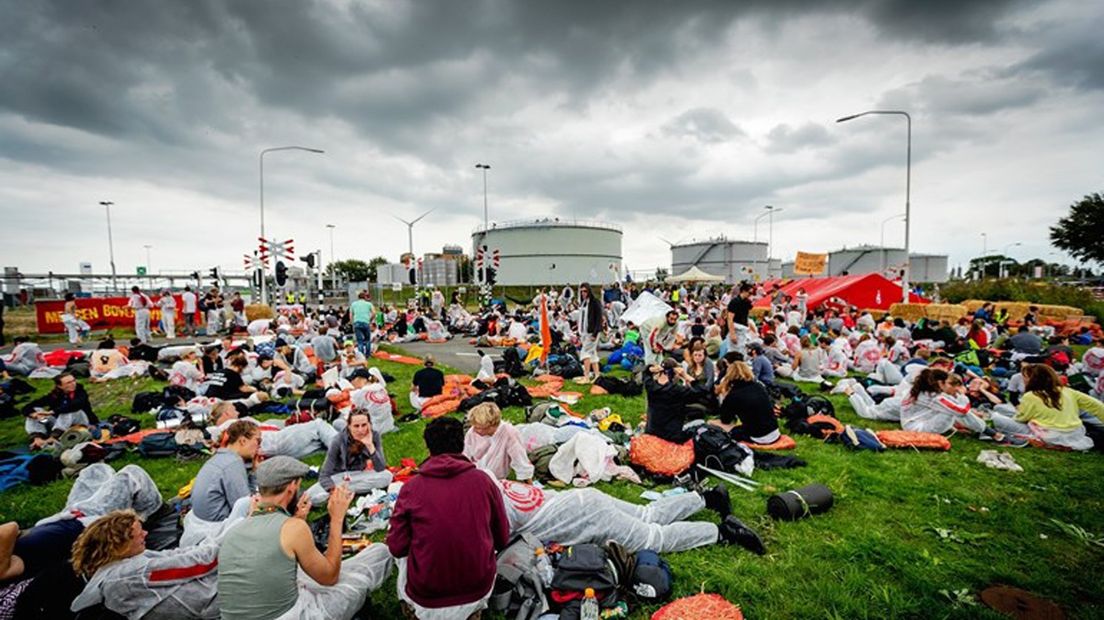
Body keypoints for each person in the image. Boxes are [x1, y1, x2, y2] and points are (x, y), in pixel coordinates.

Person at [218, 456, 393, 620]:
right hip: (292, 615)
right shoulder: (293, 529)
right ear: (292, 487)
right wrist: (337, 518)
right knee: (378, 555)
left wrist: (297, 521)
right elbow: (330, 577)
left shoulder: (234, 530)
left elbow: (271, 560)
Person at [387, 417, 510, 620]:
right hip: (478, 588)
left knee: (403, 552)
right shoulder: (484, 481)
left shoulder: (411, 488)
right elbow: (502, 538)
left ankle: (412, 611)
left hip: (427, 595)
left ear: (428, 446)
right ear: (462, 444)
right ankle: (472, 612)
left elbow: (396, 547)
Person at [0, 463, 161, 585]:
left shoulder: (7, 556)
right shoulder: (7, 569)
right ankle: (152, 514)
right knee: (131, 474)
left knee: (95, 470)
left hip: (67, 515)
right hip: (93, 522)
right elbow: (10, 527)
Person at [180, 421, 260, 546]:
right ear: (243, 441)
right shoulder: (233, 464)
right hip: (213, 532)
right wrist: (256, 477)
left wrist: (253, 472)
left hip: (197, 524)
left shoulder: (221, 457)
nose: (259, 447)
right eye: (257, 441)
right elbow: (246, 506)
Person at [990, 364, 1104, 450]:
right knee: (1002, 409)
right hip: (1074, 433)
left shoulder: (1030, 396)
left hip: (1048, 435)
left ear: (1033, 379)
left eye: (1025, 377)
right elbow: (1098, 406)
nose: (1023, 380)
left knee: (997, 418)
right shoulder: (1069, 391)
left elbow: (1021, 419)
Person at [900, 369, 1025, 446]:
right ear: (940, 383)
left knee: (952, 410)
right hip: (916, 429)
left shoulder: (921, 391)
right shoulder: (933, 397)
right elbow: (962, 410)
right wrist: (962, 395)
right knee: (954, 411)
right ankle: (996, 436)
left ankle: (985, 431)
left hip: (913, 423)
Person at [306, 410, 392, 506]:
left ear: (369, 424)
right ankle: (345, 492)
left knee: (387, 476)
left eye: (364, 425)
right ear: (349, 426)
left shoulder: (374, 435)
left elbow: (380, 468)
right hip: (339, 478)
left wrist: (370, 445)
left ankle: (348, 491)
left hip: (359, 474)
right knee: (311, 497)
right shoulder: (337, 441)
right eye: (356, 426)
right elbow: (324, 475)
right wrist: (334, 490)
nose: (360, 430)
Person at [22, 372, 96, 448]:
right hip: (58, 424)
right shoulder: (55, 395)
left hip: (80, 421)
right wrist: (34, 415)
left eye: (73, 381)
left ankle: (53, 438)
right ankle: (37, 438)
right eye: (68, 383)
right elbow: (28, 406)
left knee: (67, 411)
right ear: (60, 386)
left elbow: (75, 405)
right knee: (36, 411)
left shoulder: (80, 392)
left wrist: (51, 412)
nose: (73, 384)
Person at [711, 360, 779, 444]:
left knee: (712, 423)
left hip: (758, 436)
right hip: (774, 431)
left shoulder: (733, 395)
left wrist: (725, 397)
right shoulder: (759, 386)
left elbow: (725, 420)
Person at [463, 402, 534, 481]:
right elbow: (465, 455)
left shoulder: (509, 433)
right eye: (475, 427)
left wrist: (528, 483)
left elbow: (520, 459)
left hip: (496, 478)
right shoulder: (472, 432)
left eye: (480, 428)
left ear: (492, 425)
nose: (476, 430)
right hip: (474, 473)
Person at [643, 359, 708, 442]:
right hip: (671, 437)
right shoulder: (678, 391)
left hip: (652, 432)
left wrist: (649, 369)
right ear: (675, 374)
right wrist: (685, 375)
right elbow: (703, 390)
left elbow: (646, 373)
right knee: (701, 421)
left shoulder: (650, 386)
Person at [576, 282, 603, 383]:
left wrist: (595, 334)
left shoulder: (595, 302)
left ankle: (586, 376)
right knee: (592, 354)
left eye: (585, 291)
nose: (583, 293)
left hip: (592, 332)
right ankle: (597, 375)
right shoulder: (583, 303)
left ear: (589, 291)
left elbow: (599, 318)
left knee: (585, 353)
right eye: (581, 291)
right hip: (584, 332)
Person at [725, 283, 754, 356]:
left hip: (744, 328)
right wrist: (732, 333)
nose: (750, 295)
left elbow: (746, 315)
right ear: (743, 291)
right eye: (749, 293)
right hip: (736, 327)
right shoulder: (735, 301)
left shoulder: (747, 302)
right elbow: (730, 318)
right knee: (733, 352)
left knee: (743, 351)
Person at [350, 291, 375, 357]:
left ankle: (361, 355)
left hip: (357, 322)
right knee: (367, 339)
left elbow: (351, 315)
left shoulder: (353, 304)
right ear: (365, 297)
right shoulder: (369, 304)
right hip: (366, 322)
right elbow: (374, 313)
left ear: (358, 297)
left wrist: (352, 323)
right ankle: (368, 354)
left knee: (359, 341)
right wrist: (370, 320)